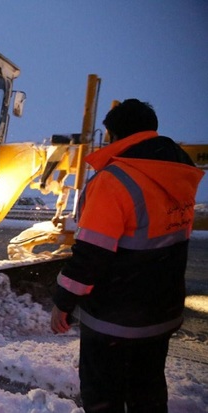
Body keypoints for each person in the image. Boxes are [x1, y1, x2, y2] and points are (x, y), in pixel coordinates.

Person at [50, 99, 204, 412]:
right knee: (147, 395)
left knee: (103, 398)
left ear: (114, 135)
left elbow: (91, 255)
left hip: (114, 320)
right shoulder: (179, 176)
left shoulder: (113, 180)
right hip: (161, 314)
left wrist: (62, 304)